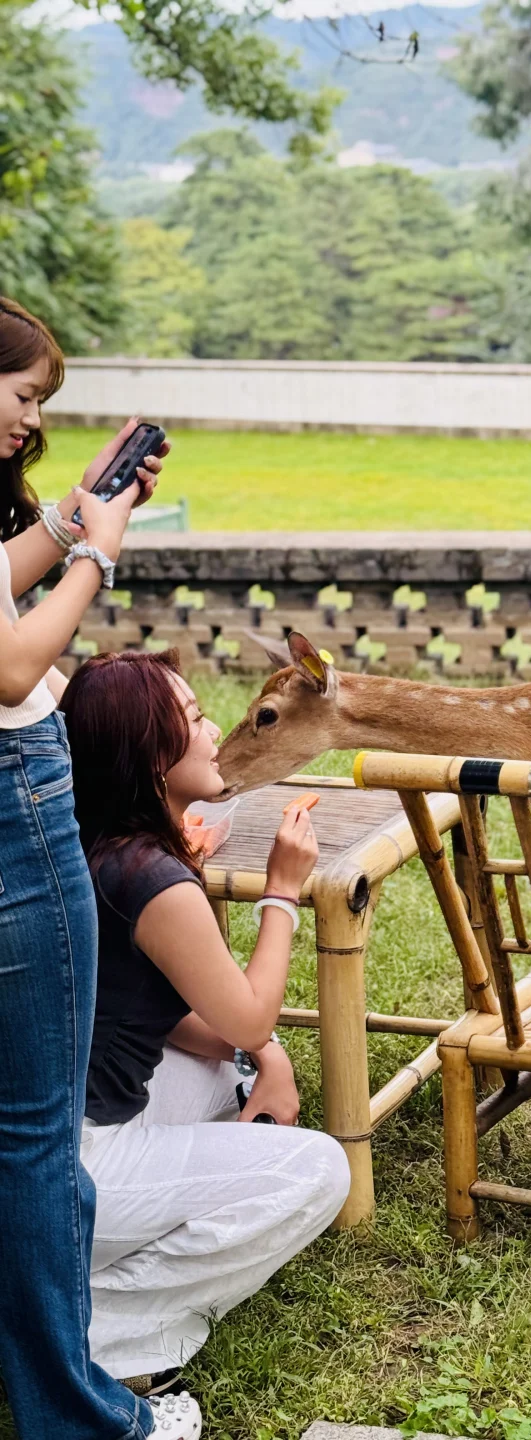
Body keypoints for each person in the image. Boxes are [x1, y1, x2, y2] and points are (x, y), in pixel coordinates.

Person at [59, 649, 351, 1396]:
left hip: (57, 1141)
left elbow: (202, 1025)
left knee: (233, 1071)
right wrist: (282, 894)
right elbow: (251, 1011)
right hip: (79, 1173)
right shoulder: (153, 882)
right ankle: (101, 1330)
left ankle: (83, 1289)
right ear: (153, 755)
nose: (213, 726)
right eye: (193, 719)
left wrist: (271, 1058)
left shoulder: (90, 845)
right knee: (319, 1170)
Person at [0, 297, 180, 1440]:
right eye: (23, 397)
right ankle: (80, 1417)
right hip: (16, 808)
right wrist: (96, 563)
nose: (30, 422)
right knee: (34, 1134)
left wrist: (67, 522)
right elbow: (13, 668)